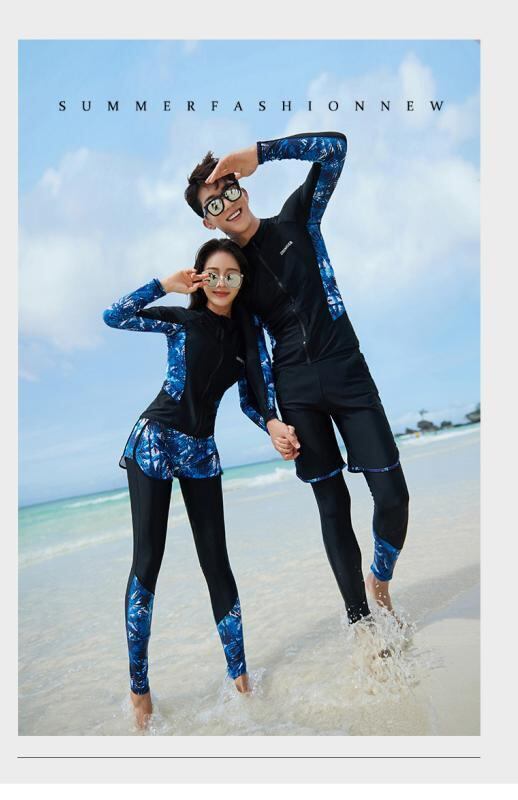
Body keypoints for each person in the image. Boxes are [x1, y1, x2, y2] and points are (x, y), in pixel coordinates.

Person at [184, 132, 410, 625]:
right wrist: (268, 419)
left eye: (229, 189)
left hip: (348, 372)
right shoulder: (233, 278)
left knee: (393, 496)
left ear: (242, 186)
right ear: (208, 220)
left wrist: (262, 153)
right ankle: (362, 626)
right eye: (214, 203)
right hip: (297, 394)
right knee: (332, 504)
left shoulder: (297, 218)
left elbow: (336, 149)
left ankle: (380, 580)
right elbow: (251, 356)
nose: (227, 203)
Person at [103, 238, 295, 728]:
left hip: (201, 452)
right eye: (213, 274)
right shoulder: (181, 320)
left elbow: (255, 397)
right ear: (200, 278)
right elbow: (114, 316)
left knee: (217, 563)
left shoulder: (248, 335)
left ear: (242, 281)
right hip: (155, 441)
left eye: (232, 274)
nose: (222, 282)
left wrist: (272, 423)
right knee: (149, 559)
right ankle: (140, 690)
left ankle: (241, 680)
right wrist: (163, 285)